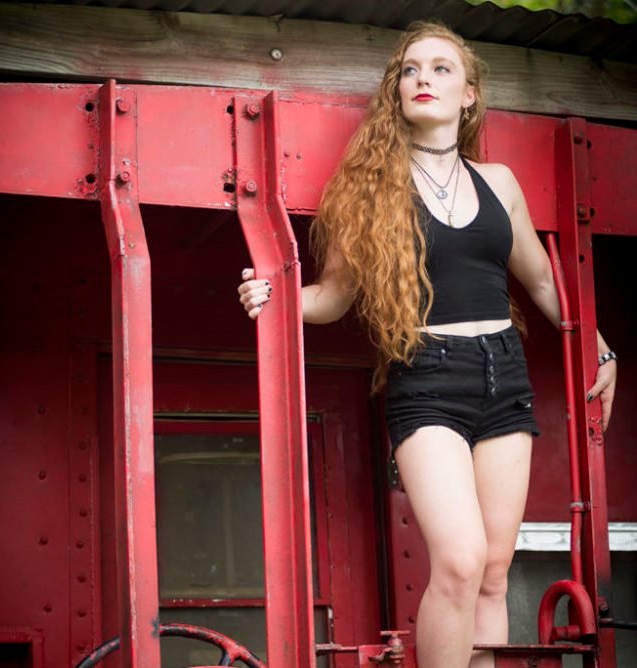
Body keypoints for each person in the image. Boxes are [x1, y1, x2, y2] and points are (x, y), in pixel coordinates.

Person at [237, 21, 617, 668]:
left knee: (496, 572)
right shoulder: (374, 186)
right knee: (461, 560)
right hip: (427, 375)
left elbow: (547, 289)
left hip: (505, 373)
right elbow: (332, 297)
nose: (424, 80)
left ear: (468, 94)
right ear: (398, 92)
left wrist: (601, 351)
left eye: (441, 69)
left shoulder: (500, 184)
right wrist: (273, 295)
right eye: (411, 70)